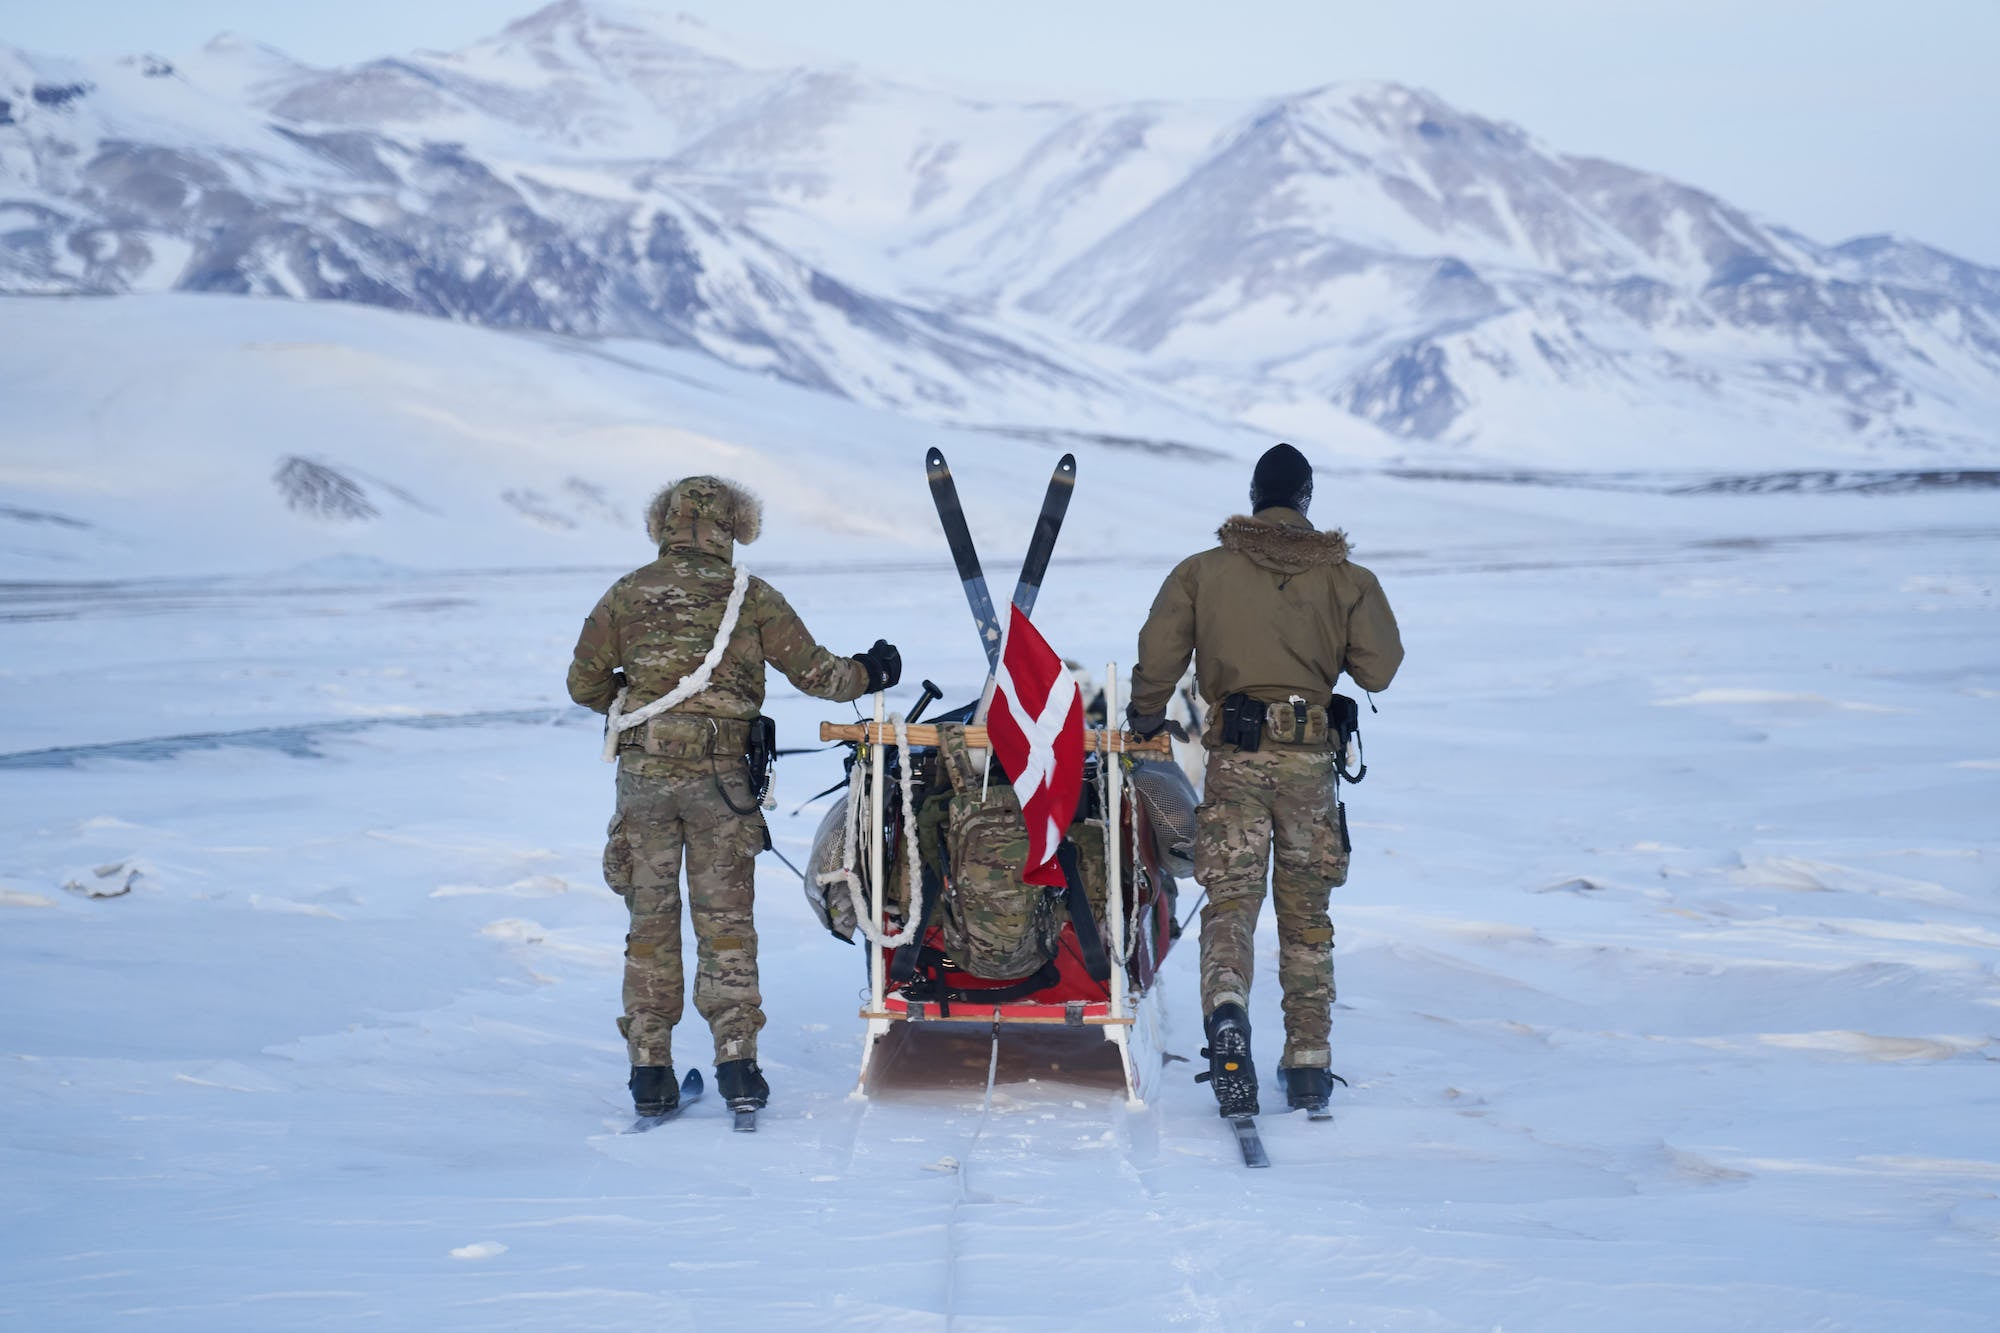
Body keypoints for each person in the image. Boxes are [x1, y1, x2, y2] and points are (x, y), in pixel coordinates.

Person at [567, 476, 900, 1118]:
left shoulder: (626, 593)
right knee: (726, 925)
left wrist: (644, 714)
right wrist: (875, 669)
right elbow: (822, 676)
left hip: (645, 781)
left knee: (649, 926)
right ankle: (739, 1067)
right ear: (735, 526)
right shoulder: (750, 596)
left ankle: (650, 1072)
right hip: (722, 784)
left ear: (663, 523)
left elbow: (583, 684)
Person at [1127, 443, 1403, 1117]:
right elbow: (1380, 668)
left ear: (1254, 497)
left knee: (1231, 906)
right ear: (1306, 499)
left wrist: (1141, 717)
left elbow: (1158, 655)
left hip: (1237, 762)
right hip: (1310, 769)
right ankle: (1308, 1065)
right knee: (1307, 920)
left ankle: (1226, 1013)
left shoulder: (1201, 572)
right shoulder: (1348, 578)